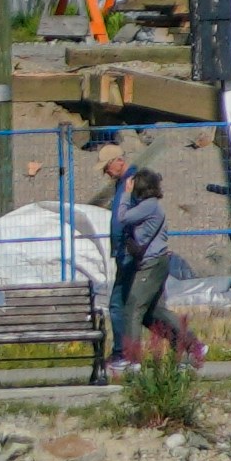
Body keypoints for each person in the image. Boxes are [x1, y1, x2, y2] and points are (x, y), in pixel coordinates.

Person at [84, 124, 171, 385]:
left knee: (120, 305)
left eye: (106, 167)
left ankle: (124, 354)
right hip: (127, 253)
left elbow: (128, 218)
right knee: (147, 310)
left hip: (131, 255)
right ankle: (185, 344)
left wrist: (128, 248)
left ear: (118, 162)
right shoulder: (124, 184)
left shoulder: (132, 185)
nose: (105, 172)